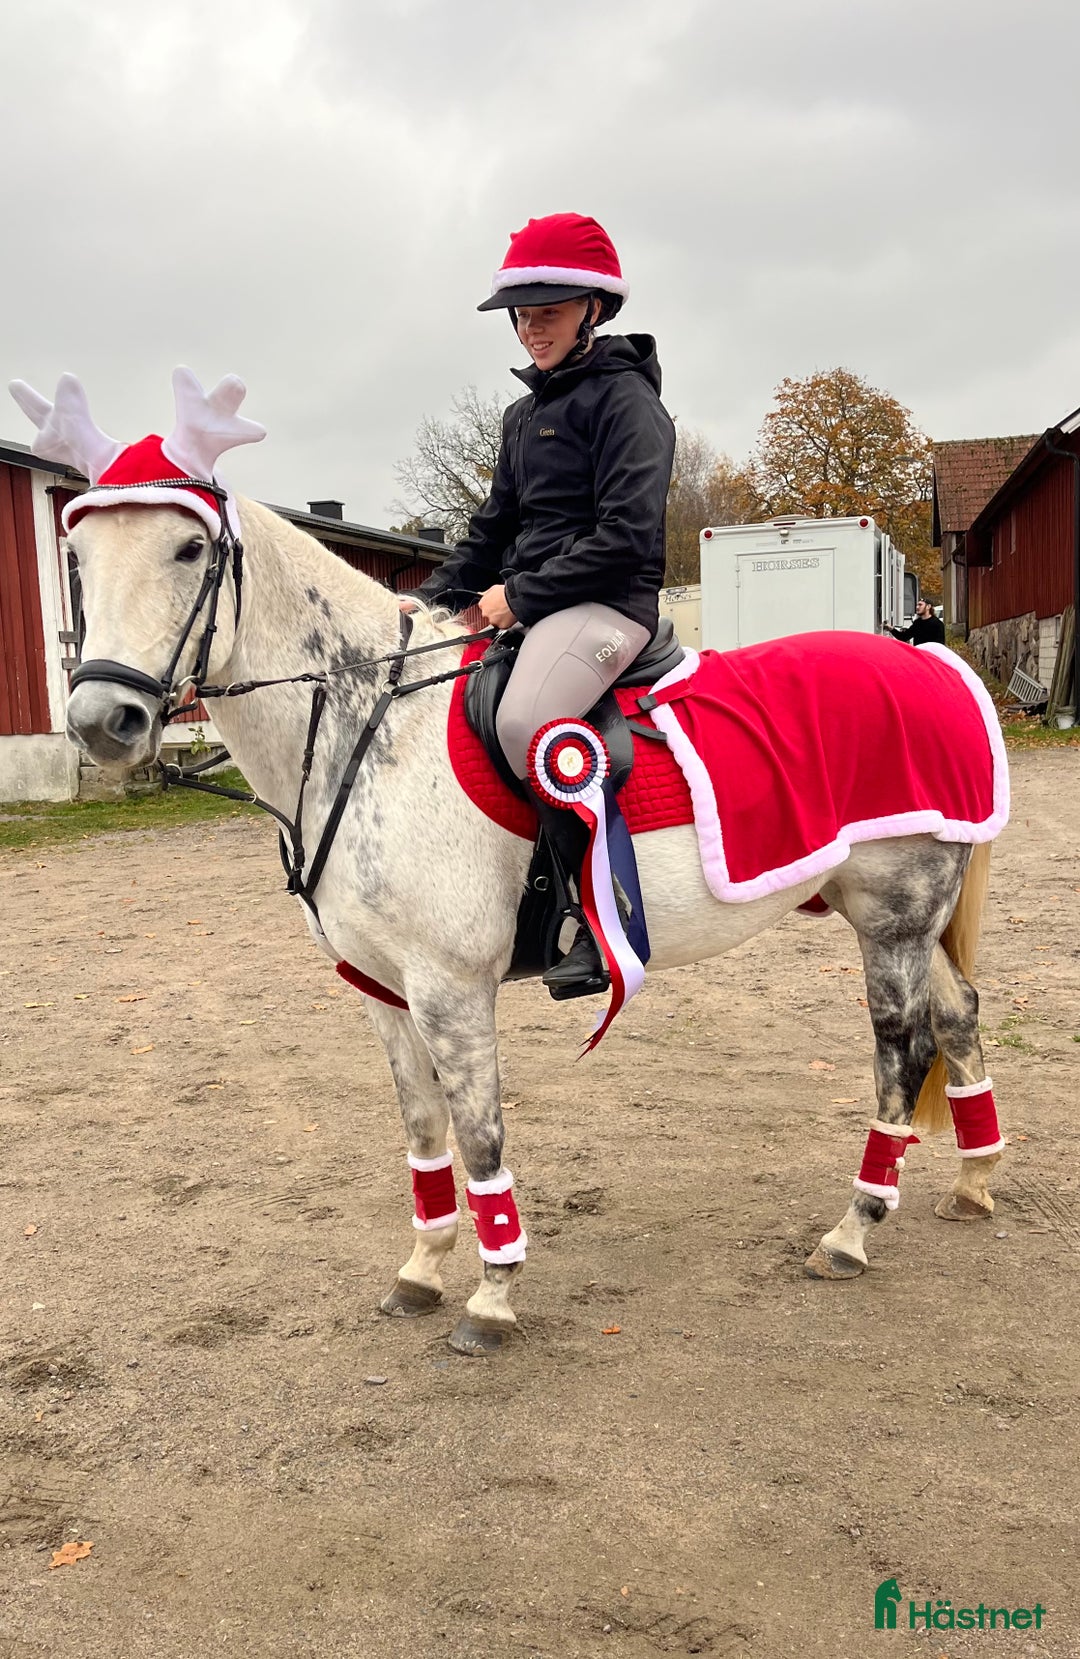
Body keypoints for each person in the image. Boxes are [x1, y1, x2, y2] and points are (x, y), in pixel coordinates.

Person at [406, 212, 676, 996]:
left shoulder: (627, 403)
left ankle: (596, 917)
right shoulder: (521, 418)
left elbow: (627, 535)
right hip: (533, 608)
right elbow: (491, 530)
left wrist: (516, 596)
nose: (531, 329)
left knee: (526, 721)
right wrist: (428, 603)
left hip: (608, 606)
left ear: (595, 308)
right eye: (521, 315)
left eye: (548, 311)